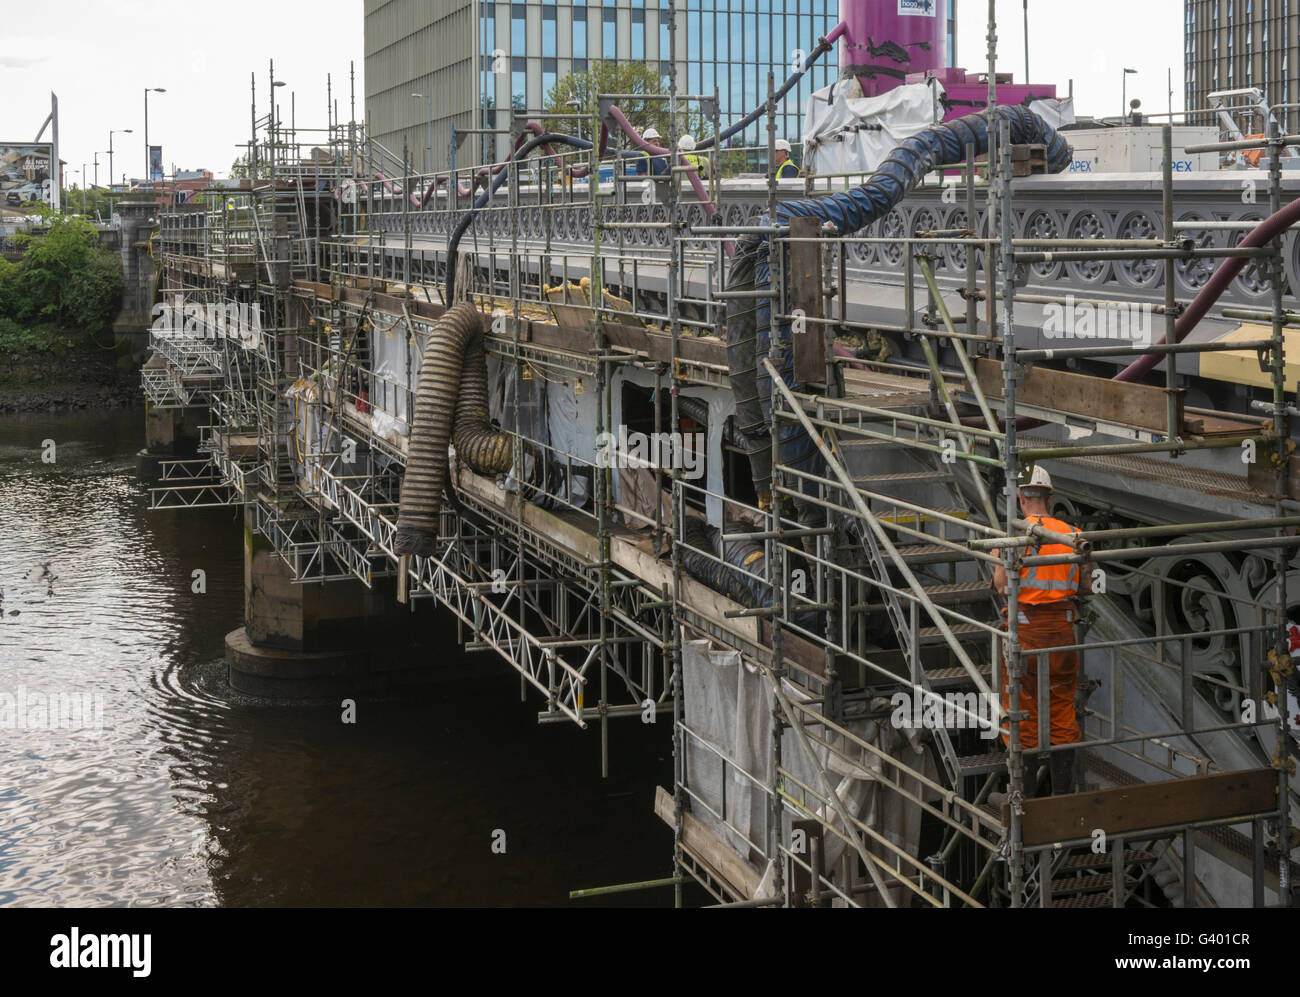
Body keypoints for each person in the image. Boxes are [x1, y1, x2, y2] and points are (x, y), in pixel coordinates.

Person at [991, 465, 1092, 795]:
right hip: (1062, 631)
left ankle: (1026, 797)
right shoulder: (1073, 536)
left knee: (1023, 706)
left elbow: (1002, 586)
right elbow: (1087, 587)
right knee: (1062, 703)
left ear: (1021, 498)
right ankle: (1063, 795)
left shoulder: (1011, 537)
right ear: (1049, 498)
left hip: (1025, 633)